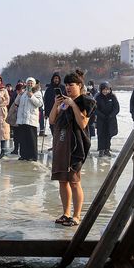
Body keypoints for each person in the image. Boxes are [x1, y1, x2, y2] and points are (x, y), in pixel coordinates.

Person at [49, 71, 94, 226]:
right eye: (66, 84)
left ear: (79, 85)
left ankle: (76, 215)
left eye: (71, 85)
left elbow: (83, 123)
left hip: (75, 146)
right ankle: (66, 213)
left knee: (74, 181)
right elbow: (52, 119)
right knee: (62, 180)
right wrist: (56, 104)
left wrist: (73, 104)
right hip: (61, 144)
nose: (68, 87)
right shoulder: (63, 101)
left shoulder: (85, 100)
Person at [15, 77, 43, 161]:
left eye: (31, 83)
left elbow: (40, 104)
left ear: (34, 84)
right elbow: (16, 102)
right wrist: (19, 94)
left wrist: (31, 96)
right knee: (23, 139)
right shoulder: (23, 93)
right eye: (28, 83)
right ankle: (24, 155)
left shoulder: (37, 93)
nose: (30, 84)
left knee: (31, 139)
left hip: (31, 120)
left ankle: (33, 156)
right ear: (26, 84)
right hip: (22, 120)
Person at [92, 83, 119, 157]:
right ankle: (101, 150)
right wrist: (101, 115)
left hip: (111, 120)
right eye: (104, 89)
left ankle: (107, 149)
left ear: (110, 90)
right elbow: (95, 109)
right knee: (101, 135)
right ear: (101, 90)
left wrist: (111, 115)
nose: (105, 91)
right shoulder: (98, 97)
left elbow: (116, 108)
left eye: (107, 89)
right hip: (101, 119)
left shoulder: (113, 97)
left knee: (108, 134)